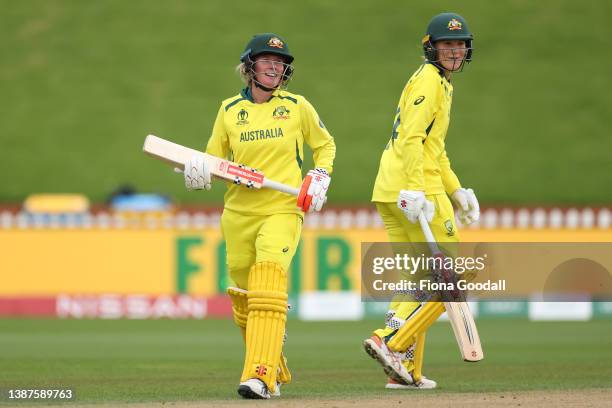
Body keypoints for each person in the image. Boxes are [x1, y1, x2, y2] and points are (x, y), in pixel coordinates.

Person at [183, 33, 335, 399]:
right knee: (243, 296)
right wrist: (199, 173)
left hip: (282, 208)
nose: (274, 67)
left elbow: (324, 145)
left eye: (280, 62)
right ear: (249, 66)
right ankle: (276, 364)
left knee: (268, 280)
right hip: (237, 213)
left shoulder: (297, 106)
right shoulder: (229, 111)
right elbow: (213, 161)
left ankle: (260, 376)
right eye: (267, 60)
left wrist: (320, 174)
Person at [363, 12, 480, 389]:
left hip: (394, 187)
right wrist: (416, 189)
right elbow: (412, 138)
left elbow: (435, 147)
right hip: (414, 189)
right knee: (449, 277)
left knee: (416, 279)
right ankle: (391, 342)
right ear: (431, 47)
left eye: (459, 45)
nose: (454, 51)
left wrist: (457, 190)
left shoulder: (440, 83)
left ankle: (404, 371)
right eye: (447, 45)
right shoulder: (430, 81)